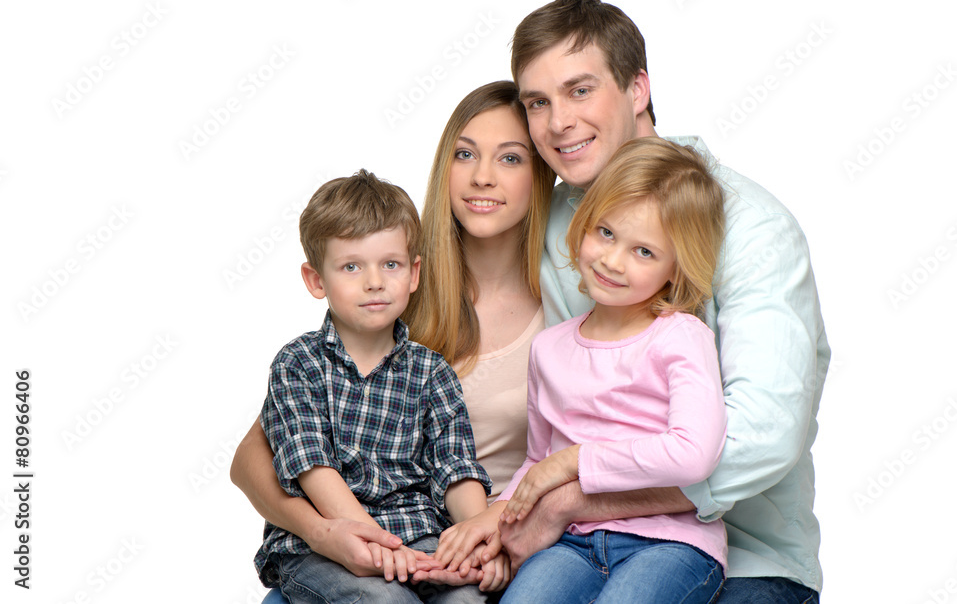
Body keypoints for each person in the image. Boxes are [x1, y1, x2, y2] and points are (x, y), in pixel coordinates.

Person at [449, 0, 830, 604]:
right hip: (575, 545)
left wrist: (571, 494)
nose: (557, 123)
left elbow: (764, 436)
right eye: (538, 103)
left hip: (748, 560)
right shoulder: (556, 221)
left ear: (637, 90)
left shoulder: (753, 228)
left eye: (580, 91)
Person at [232, 82, 556, 601]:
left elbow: (459, 464)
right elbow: (258, 456)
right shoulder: (390, 285)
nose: (483, 176)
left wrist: (483, 537)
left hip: (452, 534)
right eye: (465, 153)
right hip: (334, 540)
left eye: (511, 158)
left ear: (541, 174)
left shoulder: (576, 293)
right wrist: (328, 534)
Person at [491, 138, 728, 603]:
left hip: (669, 543)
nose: (612, 260)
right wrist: (497, 522)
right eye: (605, 232)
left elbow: (693, 454)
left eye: (644, 252)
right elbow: (538, 462)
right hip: (571, 543)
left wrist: (575, 459)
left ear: (676, 269)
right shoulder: (548, 348)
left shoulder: (681, 335)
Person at [255, 169, 495, 603]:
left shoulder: (431, 371)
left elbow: (454, 468)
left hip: (420, 537)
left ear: (414, 273)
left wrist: (476, 537)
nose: (374, 281)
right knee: (386, 600)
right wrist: (379, 546)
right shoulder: (298, 364)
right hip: (324, 546)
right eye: (351, 266)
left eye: (390, 264)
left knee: (469, 599)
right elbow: (313, 468)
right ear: (316, 280)